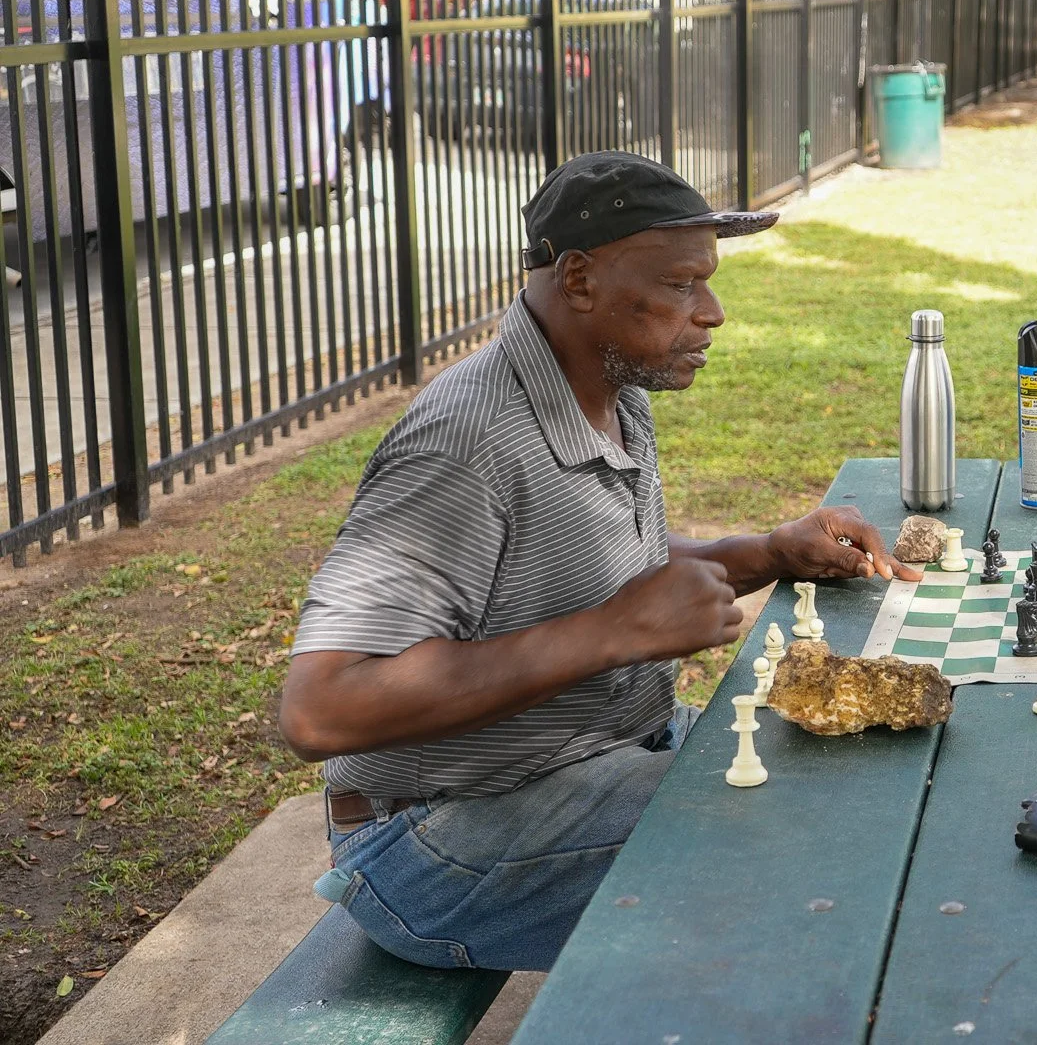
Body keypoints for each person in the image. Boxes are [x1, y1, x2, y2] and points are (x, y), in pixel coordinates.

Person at [278, 152, 921, 972]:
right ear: (578, 278)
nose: (713, 312)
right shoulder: (464, 441)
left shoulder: (611, 391)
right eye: (683, 284)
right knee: (817, 856)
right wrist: (613, 633)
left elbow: (594, 560)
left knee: (858, 773)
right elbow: (320, 710)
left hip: (595, 762)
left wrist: (761, 553)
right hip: (434, 840)